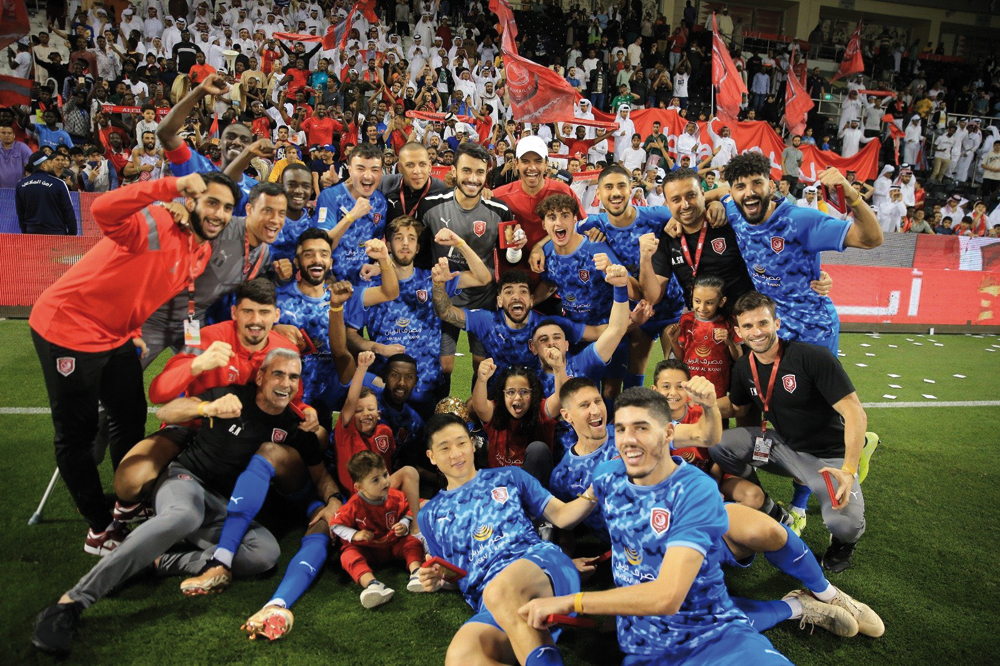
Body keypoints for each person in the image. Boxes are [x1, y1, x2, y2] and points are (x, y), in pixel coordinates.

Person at [31, 350, 315, 657]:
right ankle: (70, 603)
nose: (286, 382)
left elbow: (317, 460)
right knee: (185, 515)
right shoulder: (232, 395)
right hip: (186, 481)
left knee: (265, 553)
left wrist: (319, 435)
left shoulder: (291, 424)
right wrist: (208, 407)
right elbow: (165, 413)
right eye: (278, 374)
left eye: (293, 377)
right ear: (260, 377)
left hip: (225, 506)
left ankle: (156, 562)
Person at [29, 173, 239, 555]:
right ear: (191, 200)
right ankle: (99, 525)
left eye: (227, 207)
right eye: (212, 202)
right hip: (67, 328)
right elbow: (101, 208)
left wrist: (132, 325)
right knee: (78, 434)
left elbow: (145, 283)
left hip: (117, 336)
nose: (220, 214)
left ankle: (127, 502)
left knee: (129, 415)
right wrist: (170, 188)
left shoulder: (202, 250)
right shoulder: (160, 220)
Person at [517, 388, 790, 665]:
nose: (627, 438)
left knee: (753, 543)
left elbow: (705, 436)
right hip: (644, 614)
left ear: (666, 434)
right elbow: (565, 518)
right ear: (567, 416)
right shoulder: (600, 474)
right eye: (622, 429)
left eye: (598, 401)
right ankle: (795, 606)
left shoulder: (692, 486)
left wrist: (571, 602)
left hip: (707, 624)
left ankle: (817, 591)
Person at [709, 292, 877, 573]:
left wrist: (848, 468)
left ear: (777, 323)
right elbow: (737, 407)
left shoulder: (812, 357)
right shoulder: (744, 366)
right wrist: (698, 403)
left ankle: (843, 544)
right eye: (748, 327)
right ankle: (772, 509)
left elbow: (855, 413)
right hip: (783, 447)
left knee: (844, 524)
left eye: (763, 323)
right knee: (721, 445)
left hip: (828, 459)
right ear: (738, 331)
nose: (757, 332)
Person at [415, 413, 599, 666]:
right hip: (492, 602)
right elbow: (456, 575)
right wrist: (439, 578)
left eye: (460, 443)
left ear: (471, 443)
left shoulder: (510, 477)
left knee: (499, 590)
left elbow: (563, 516)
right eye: (444, 448)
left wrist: (594, 491)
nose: (456, 453)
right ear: (431, 457)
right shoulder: (428, 515)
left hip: (539, 564)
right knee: (461, 658)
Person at [722, 152, 882, 356]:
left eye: (757, 183)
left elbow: (871, 239)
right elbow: (717, 194)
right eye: (740, 187)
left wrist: (851, 195)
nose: (749, 192)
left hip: (813, 329)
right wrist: (714, 204)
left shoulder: (800, 220)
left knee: (820, 388)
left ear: (771, 186)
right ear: (732, 192)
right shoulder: (736, 212)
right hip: (772, 330)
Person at [415, 142, 520, 391]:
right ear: (454, 171)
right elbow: (418, 252)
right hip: (443, 299)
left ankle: (475, 418)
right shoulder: (430, 205)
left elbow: (510, 258)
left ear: (487, 175)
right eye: (467, 171)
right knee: (444, 366)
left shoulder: (501, 211)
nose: (473, 179)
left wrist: (518, 245)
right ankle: (439, 416)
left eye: (480, 173)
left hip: (482, 300)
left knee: (482, 365)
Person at [327, 451, 428, 611]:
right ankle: (372, 585)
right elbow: (335, 524)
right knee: (348, 555)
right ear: (359, 487)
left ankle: (417, 573)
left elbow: (408, 509)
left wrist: (404, 523)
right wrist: (355, 535)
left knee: (411, 542)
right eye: (375, 479)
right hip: (367, 548)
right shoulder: (354, 505)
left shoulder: (395, 496)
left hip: (392, 543)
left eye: (385, 474)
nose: (385, 482)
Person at [157, 73, 258, 212]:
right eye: (230, 136)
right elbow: (165, 134)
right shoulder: (201, 168)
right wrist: (200, 91)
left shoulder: (256, 190)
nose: (236, 142)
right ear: (220, 143)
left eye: (244, 139)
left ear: (251, 147)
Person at [493, 136, 584, 279]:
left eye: (538, 161)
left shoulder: (563, 192)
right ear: (516, 164)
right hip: (512, 283)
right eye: (525, 161)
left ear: (546, 164)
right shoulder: (498, 196)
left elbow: (580, 227)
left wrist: (541, 245)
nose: (532, 167)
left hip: (556, 282)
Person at [315, 142, 389, 285]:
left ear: (381, 172)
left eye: (375, 170)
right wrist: (351, 216)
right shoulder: (330, 196)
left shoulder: (380, 201)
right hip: (333, 282)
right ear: (349, 170)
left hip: (365, 283)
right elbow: (322, 245)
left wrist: (378, 266)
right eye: (360, 169)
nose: (368, 176)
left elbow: (377, 245)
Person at [664, 274, 740, 400]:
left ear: (721, 302)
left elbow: (739, 358)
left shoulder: (728, 322)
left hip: (717, 385)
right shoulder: (686, 320)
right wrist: (673, 341)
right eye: (697, 301)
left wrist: (729, 342)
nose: (702, 308)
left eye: (709, 303)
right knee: (689, 417)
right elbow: (681, 357)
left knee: (716, 417)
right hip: (689, 383)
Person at [16, 151, 77, 235]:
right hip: (56, 233)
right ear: (43, 166)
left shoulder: (21, 184)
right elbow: (68, 210)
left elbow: (20, 212)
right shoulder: (59, 183)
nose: (52, 165)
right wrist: (72, 234)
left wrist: (25, 232)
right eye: (50, 162)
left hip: (31, 232)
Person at [0, 123, 33, 188]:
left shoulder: (22, 147)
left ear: (14, 135)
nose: (6, 135)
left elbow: (30, 166)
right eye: (3, 133)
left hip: (19, 189)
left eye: (9, 133)